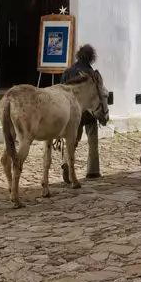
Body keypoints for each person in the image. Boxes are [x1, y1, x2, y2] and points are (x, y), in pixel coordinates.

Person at [59, 44, 102, 182]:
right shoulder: (93, 74)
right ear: (91, 58)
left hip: (72, 112)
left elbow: (61, 92)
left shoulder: (68, 72)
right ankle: (93, 171)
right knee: (92, 140)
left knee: (72, 141)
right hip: (89, 113)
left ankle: (66, 162)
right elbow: (97, 95)